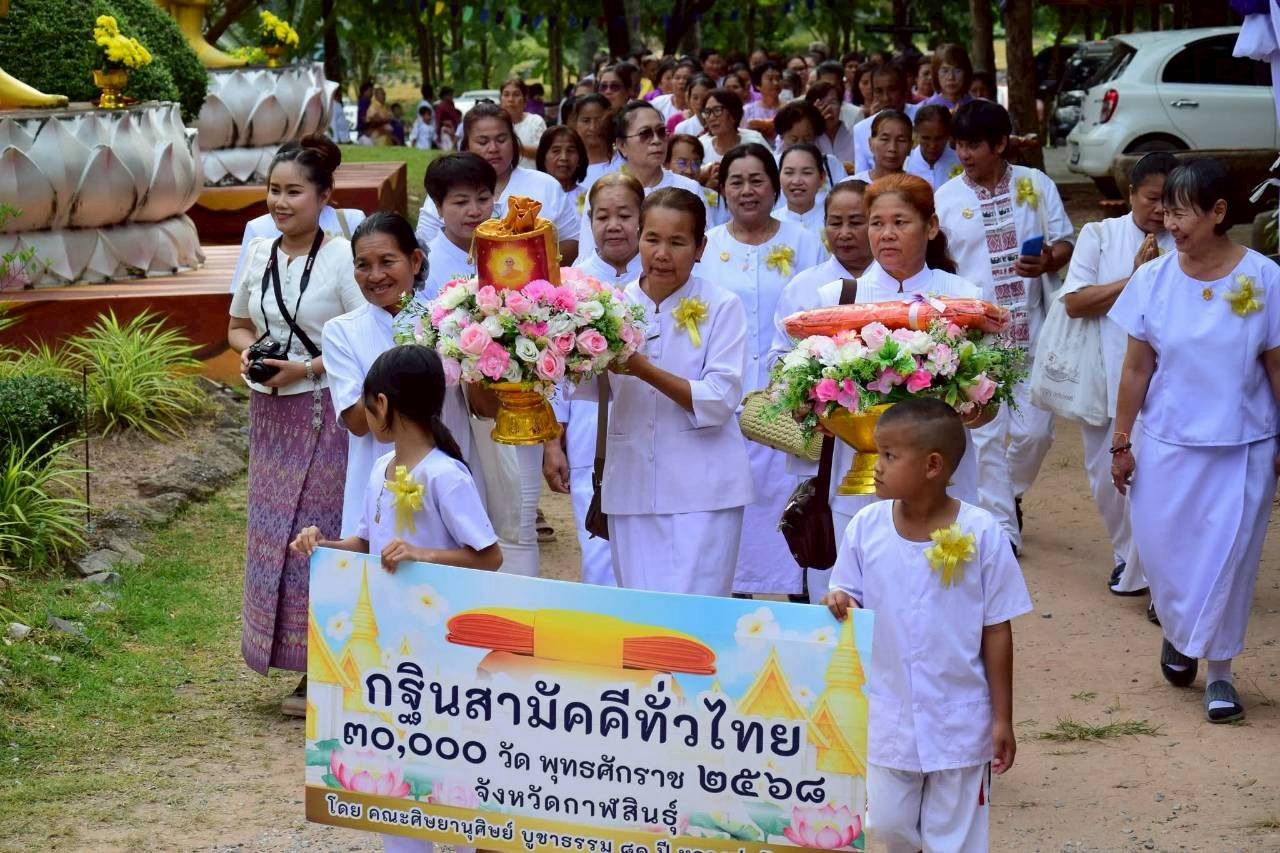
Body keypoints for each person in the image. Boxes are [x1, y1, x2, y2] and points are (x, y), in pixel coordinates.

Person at [1110, 158, 1280, 723]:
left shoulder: (1264, 277)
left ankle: (1221, 673)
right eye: (1166, 211)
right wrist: (1121, 441)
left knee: (1230, 561)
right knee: (1165, 553)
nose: (1168, 223)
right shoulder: (1152, 279)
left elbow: (1277, 365)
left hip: (1244, 446)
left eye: (1180, 212)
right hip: (1166, 443)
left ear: (1218, 212)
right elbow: (1137, 369)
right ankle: (1181, 632)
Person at [824, 398, 1031, 852]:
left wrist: (1002, 718)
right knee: (885, 824)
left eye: (889, 455)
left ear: (933, 465)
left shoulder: (982, 533)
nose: (877, 467)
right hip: (886, 716)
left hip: (959, 718)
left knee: (955, 837)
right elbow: (845, 592)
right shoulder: (866, 526)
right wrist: (840, 600)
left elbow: (997, 629)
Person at [772, 174, 986, 600]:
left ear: (930, 226)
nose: (886, 234)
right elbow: (796, 390)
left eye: (900, 222)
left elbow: (987, 405)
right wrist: (817, 409)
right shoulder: (835, 297)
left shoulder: (963, 298)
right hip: (857, 478)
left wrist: (966, 401)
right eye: (876, 223)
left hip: (941, 475)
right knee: (858, 596)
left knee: (940, 595)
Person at [227, 135, 364, 714]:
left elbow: (365, 334)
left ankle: (323, 667)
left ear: (324, 196)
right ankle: (281, 653)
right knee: (272, 533)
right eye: (274, 190)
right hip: (271, 411)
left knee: (318, 531)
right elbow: (236, 324)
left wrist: (306, 368)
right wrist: (248, 354)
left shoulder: (342, 256)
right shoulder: (260, 251)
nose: (281, 202)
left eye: (294, 192)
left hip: (327, 409)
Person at [580, 187, 753, 594]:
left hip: (705, 489)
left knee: (697, 610)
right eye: (652, 239)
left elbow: (720, 399)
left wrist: (642, 369)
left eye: (677, 242)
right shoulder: (608, 306)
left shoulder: (722, 305)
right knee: (641, 610)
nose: (661, 254)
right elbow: (587, 386)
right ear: (638, 238)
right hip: (631, 483)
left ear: (700, 247)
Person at [936, 100, 1074, 551]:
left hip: (1034, 332)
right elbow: (940, 264)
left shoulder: (1035, 184)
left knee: (1037, 433)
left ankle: (1007, 494)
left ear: (999, 144)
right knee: (986, 438)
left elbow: (1065, 242)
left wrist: (1047, 260)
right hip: (975, 341)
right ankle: (1002, 533)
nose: (964, 154)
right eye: (959, 144)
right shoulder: (946, 199)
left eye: (973, 144)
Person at [701, 143, 823, 598]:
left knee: (793, 513)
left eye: (757, 180)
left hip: (789, 407)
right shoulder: (708, 245)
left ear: (774, 187)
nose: (747, 190)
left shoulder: (805, 242)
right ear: (723, 190)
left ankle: (800, 605)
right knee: (734, 524)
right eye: (736, 182)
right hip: (724, 406)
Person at [1060, 152, 1178, 599]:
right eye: (1152, 198)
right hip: (1104, 379)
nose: (1161, 210)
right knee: (1106, 481)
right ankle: (1127, 557)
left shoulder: (1185, 240)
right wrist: (1135, 278)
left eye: (1170, 200)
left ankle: (1156, 575)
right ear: (1130, 194)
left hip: (1166, 385)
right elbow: (1075, 302)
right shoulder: (1100, 235)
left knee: (1159, 483)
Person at [542, 173, 645, 588]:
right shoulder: (568, 283)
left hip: (649, 426)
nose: (614, 225)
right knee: (598, 547)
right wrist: (553, 443)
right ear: (590, 222)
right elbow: (552, 371)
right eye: (603, 216)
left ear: (642, 217)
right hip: (590, 432)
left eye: (625, 215)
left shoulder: (659, 277)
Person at [322, 213, 426, 546]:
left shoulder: (447, 320)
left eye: (387, 261)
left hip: (444, 475)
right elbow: (357, 422)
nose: (376, 275)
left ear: (415, 261)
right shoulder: (342, 331)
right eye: (363, 265)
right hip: (377, 477)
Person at [414, 102, 578, 265]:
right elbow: (425, 247)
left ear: (514, 142)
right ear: (466, 145)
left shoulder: (546, 185)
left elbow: (573, 240)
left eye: (501, 140)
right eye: (483, 142)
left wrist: (531, 262)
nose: (493, 148)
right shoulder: (447, 189)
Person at [577, 101, 707, 258]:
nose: (656, 140)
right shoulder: (603, 190)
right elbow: (587, 253)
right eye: (645, 134)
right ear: (621, 145)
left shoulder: (689, 188)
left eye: (661, 132)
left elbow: (703, 253)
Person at [852, 64, 919, 174]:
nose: (886, 98)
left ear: (904, 89)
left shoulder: (921, 118)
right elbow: (861, 173)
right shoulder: (862, 128)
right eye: (879, 91)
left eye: (892, 90)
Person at [773, 100, 849, 185]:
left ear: (815, 136)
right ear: (782, 136)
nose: (800, 145)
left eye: (807, 139)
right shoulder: (773, 165)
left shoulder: (831, 164)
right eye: (794, 140)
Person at [697, 89, 769, 173]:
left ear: (733, 113)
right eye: (707, 112)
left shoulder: (755, 141)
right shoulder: (701, 145)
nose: (711, 118)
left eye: (717, 110)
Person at [667, 131, 727, 227]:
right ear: (666, 164)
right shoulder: (657, 196)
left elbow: (722, 230)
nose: (689, 170)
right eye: (682, 163)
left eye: (696, 164)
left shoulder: (714, 198)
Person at [775, 142, 829, 233]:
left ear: (822, 178)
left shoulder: (833, 221)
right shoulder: (768, 223)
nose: (796, 181)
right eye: (789, 173)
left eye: (807, 173)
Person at [536, 125, 589, 216]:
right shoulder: (532, 198)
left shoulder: (590, 199)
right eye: (556, 151)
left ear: (579, 159)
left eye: (570, 151)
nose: (564, 158)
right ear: (543, 158)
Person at [905, 105, 962, 190]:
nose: (932, 145)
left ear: (948, 134)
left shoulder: (961, 161)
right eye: (925, 138)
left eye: (939, 138)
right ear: (916, 133)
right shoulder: (906, 165)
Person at [849, 108, 912, 183]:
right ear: (870, 143)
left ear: (910, 146)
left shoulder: (918, 186)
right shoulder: (851, 186)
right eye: (885, 139)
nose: (892, 148)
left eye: (901, 140)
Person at [573, 93, 622, 186]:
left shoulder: (625, 158)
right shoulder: (569, 165)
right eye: (586, 120)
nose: (593, 127)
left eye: (599, 120)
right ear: (576, 123)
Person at [500, 78, 546, 169]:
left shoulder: (535, 121)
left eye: (516, 95)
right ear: (501, 100)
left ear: (525, 100)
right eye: (506, 95)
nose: (510, 99)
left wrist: (513, 146)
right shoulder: (495, 125)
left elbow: (543, 152)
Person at [807, 81, 856, 166]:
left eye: (833, 102)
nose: (828, 108)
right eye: (821, 104)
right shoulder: (808, 139)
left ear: (841, 106)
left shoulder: (855, 136)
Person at [926, 43, 976, 112]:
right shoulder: (928, 108)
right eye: (945, 71)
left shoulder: (976, 107)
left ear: (966, 73)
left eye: (957, 71)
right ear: (936, 74)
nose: (951, 77)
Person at [814, 60, 863, 128]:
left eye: (833, 86)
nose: (829, 90)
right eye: (824, 85)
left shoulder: (855, 113)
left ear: (841, 85)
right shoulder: (808, 111)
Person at [743, 61, 783, 139]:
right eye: (770, 79)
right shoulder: (747, 110)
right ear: (757, 85)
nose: (776, 83)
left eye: (778, 79)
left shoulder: (790, 108)